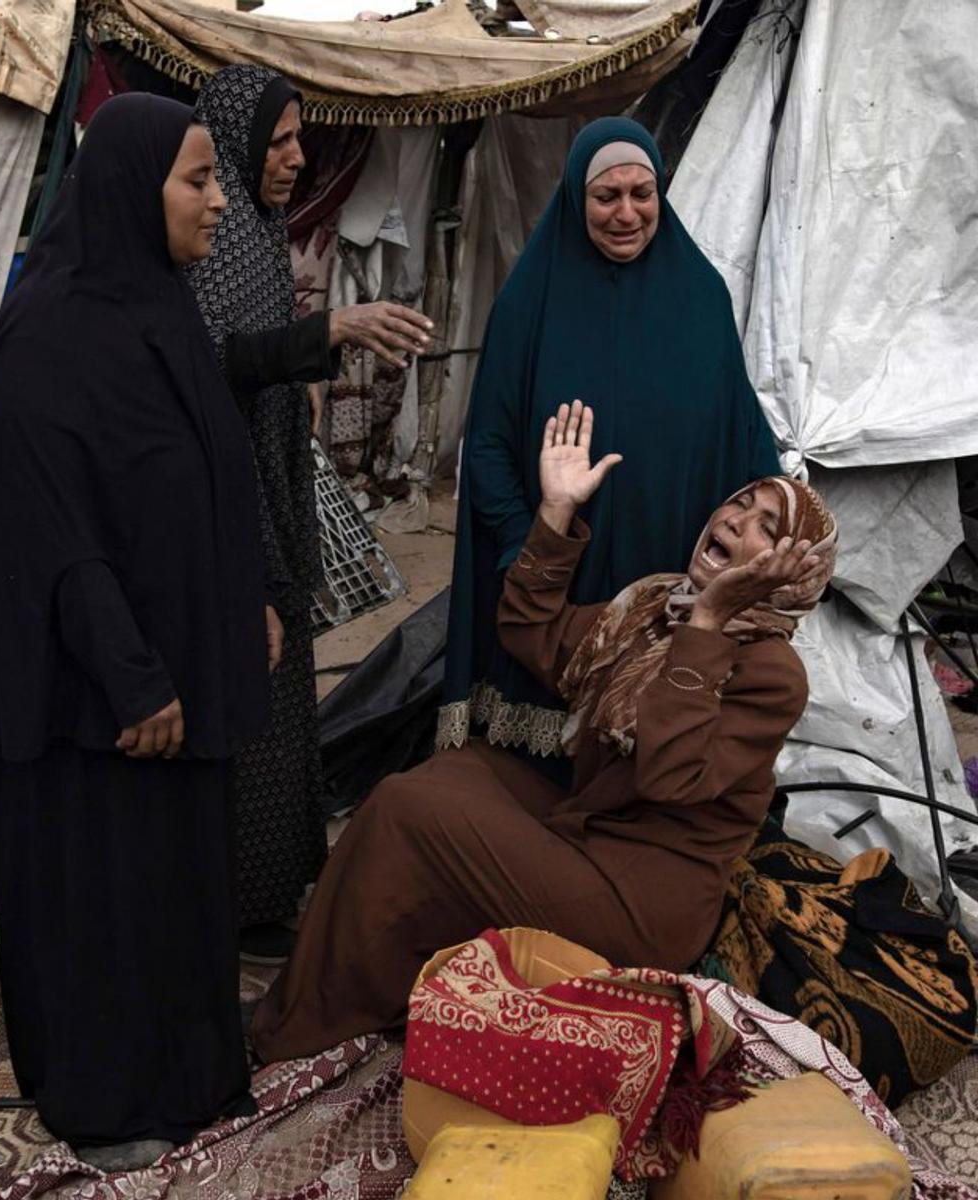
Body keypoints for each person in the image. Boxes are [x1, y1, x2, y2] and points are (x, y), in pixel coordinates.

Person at [252, 401, 836, 1062]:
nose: (734, 520)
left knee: (408, 811)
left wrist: (705, 631)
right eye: (740, 503)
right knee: (457, 767)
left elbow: (670, 776)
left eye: (767, 526)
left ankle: (292, 1031)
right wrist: (557, 514)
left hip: (642, 900)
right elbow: (533, 635)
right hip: (591, 830)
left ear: (792, 572)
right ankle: (365, 986)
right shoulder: (654, 606)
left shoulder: (771, 673)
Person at [0, 95, 279, 1170]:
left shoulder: (158, 310)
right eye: (197, 180)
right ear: (127, 190)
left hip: (168, 673)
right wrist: (134, 678)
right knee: (102, 894)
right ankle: (109, 1102)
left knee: (172, 887)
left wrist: (249, 605)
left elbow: (204, 476)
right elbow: (59, 535)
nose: (218, 200)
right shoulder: (52, 335)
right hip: (100, 700)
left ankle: (186, 1078)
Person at [440, 117, 782, 769]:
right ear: (577, 198)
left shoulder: (702, 298)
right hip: (565, 580)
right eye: (607, 197)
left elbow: (743, 431)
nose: (627, 213)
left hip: (674, 566)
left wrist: (773, 530)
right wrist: (528, 549)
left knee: (651, 746)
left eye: (642, 194)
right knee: (542, 779)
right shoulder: (529, 304)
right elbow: (486, 445)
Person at [188, 64, 433, 963]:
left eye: (299, 138)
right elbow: (218, 360)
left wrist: (306, 385)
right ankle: (241, 900)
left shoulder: (254, 226)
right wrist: (324, 336)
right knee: (254, 678)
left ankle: (279, 879)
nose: (296, 157)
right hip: (230, 489)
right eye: (280, 139)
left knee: (287, 680)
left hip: (274, 472)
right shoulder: (206, 242)